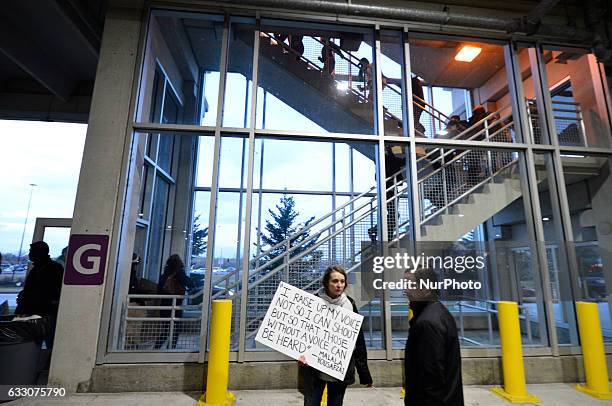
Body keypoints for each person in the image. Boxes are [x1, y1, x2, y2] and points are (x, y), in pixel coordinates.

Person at [299, 266, 373, 405]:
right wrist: (301, 354)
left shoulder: (350, 304)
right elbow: (303, 333)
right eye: (335, 281)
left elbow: (358, 340)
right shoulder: (314, 301)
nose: (339, 285)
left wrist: (365, 374)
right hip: (314, 369)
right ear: (326, 282)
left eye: (342, 281)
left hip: (340, 371)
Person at [403, 268, 464, 406]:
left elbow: (431, 378)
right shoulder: (438, 312)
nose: (405, 290)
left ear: (427, 288)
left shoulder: (428, 323)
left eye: (411, 284)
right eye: (405, 283)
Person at [14, 241, 64, 348]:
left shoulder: (52, 268)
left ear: (40, 252)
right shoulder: (39, 267)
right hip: (34, 311)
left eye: (31, 251)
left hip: (41, 312)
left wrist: (28, 297)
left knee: (40, 343)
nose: (29, 254)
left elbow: (50, 291)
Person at [154, 254, 193, 349]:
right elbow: (190, 283)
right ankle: (170, 349)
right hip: (176, 306)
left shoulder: (165, 274)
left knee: (166, 329)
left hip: (164, 306)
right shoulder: (179, 273)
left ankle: (156, 347)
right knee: (175, 330)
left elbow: (159, 290)